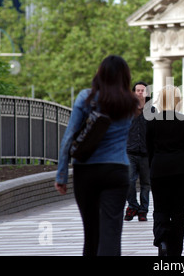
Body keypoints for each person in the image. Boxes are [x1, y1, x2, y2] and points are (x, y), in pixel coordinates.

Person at [55, 55, 139, 256]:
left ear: (100, 74)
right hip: (118, 171)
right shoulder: (130, 102)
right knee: (111, 232)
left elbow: (69, 138)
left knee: (91, 233)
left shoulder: (86, 98)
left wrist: (61, 175)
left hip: (87, 172)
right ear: (125, 77)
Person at [146, 85, 184, 256]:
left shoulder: (152, 121)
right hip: (182, 170)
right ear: (178, 100)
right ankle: (175, 251)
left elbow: (148, 149)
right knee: (178, 212)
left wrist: (152, 168)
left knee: (160, 208)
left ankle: (162, 240)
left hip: (159, 169)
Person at [124, 81, 152, 222]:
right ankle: (133, 205)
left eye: (143, 90)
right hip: (130, 151)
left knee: (146, 183)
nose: (140, 92)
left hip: (146, 153)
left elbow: (156, 132)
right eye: (138, 90)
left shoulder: (152, 111)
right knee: (129, 180)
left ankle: (143, 210)